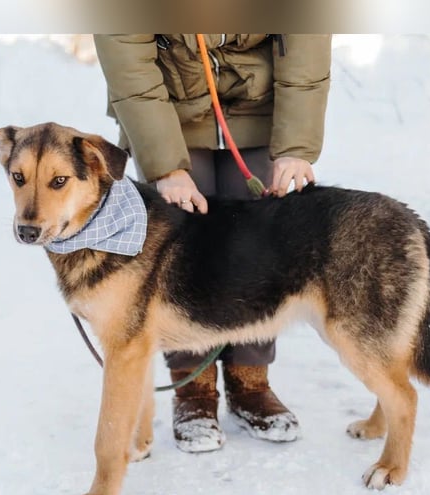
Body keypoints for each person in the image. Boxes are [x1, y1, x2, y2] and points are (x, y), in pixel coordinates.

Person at [93, 34, 332, 452]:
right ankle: (194, 391)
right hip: (168, 111)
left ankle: (250, 381)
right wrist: (164, 164)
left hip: (260, 105)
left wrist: (295, 147)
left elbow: (304, 42)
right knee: (182, 251)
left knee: (260, 247)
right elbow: (130, 66)